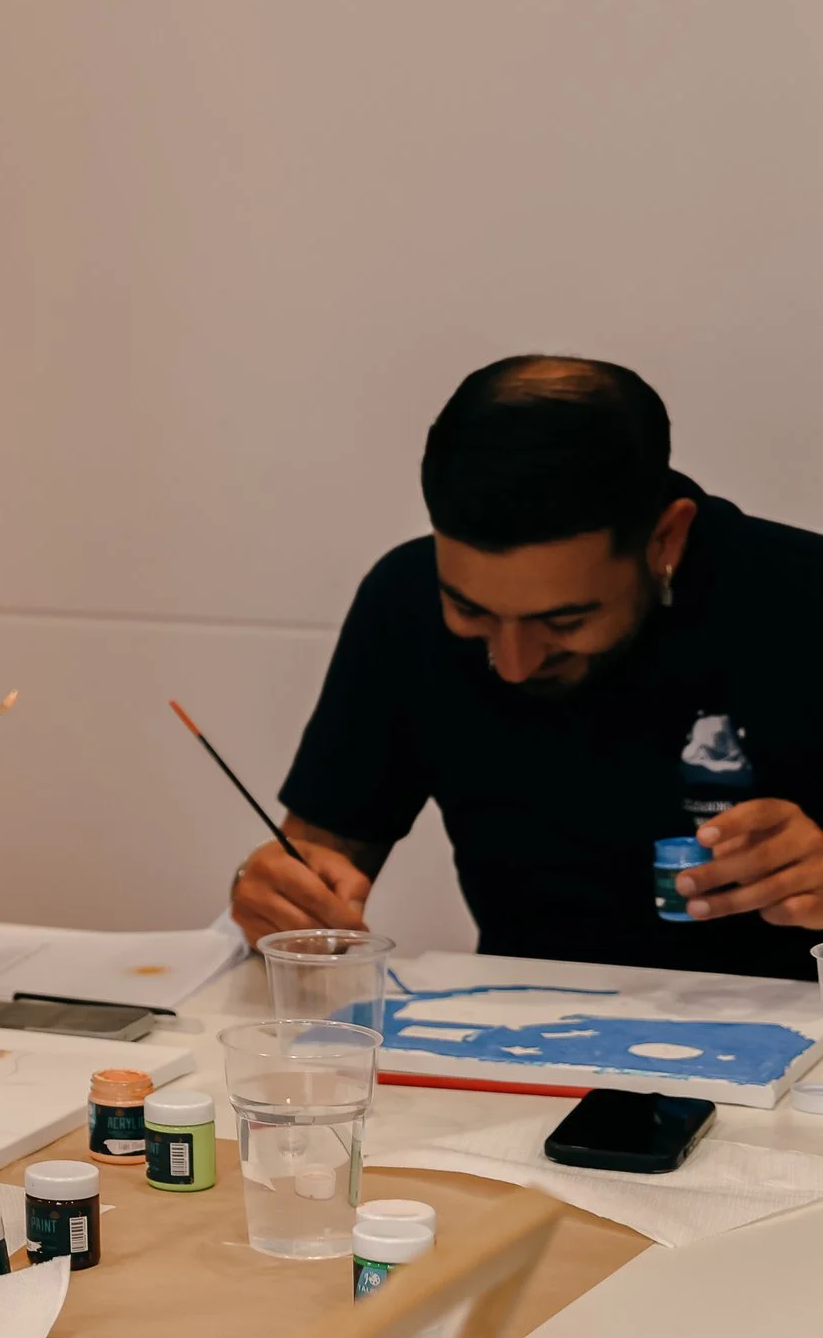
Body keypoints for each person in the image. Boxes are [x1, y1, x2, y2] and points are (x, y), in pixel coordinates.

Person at [231, 355, 823, 979]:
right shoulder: (404, 599)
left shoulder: (803, 598)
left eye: (565, 622)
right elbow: (317, 858)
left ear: (665, 540)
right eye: (470, 611)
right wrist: (273, 897)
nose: (513, 666)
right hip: (518, 1019)